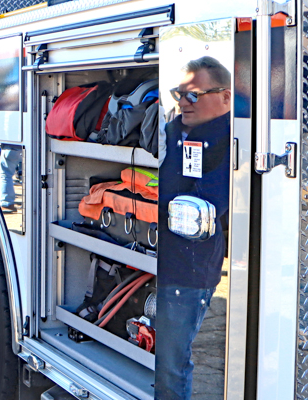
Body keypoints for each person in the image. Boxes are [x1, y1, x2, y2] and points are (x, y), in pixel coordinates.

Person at [155, 56, 231, 399]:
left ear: (226, 97)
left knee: (171, 364)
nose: (184, 102)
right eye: (179, 94)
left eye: (194, 95)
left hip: (187, 273)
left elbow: (205, 206)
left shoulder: (231, 142)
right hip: (159, 262)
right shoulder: (173, 132)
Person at [0, 144, 22, 213]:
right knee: (29, 177)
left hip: (9, 147)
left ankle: (7, 203)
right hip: (27, 147)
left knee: (5, 175)